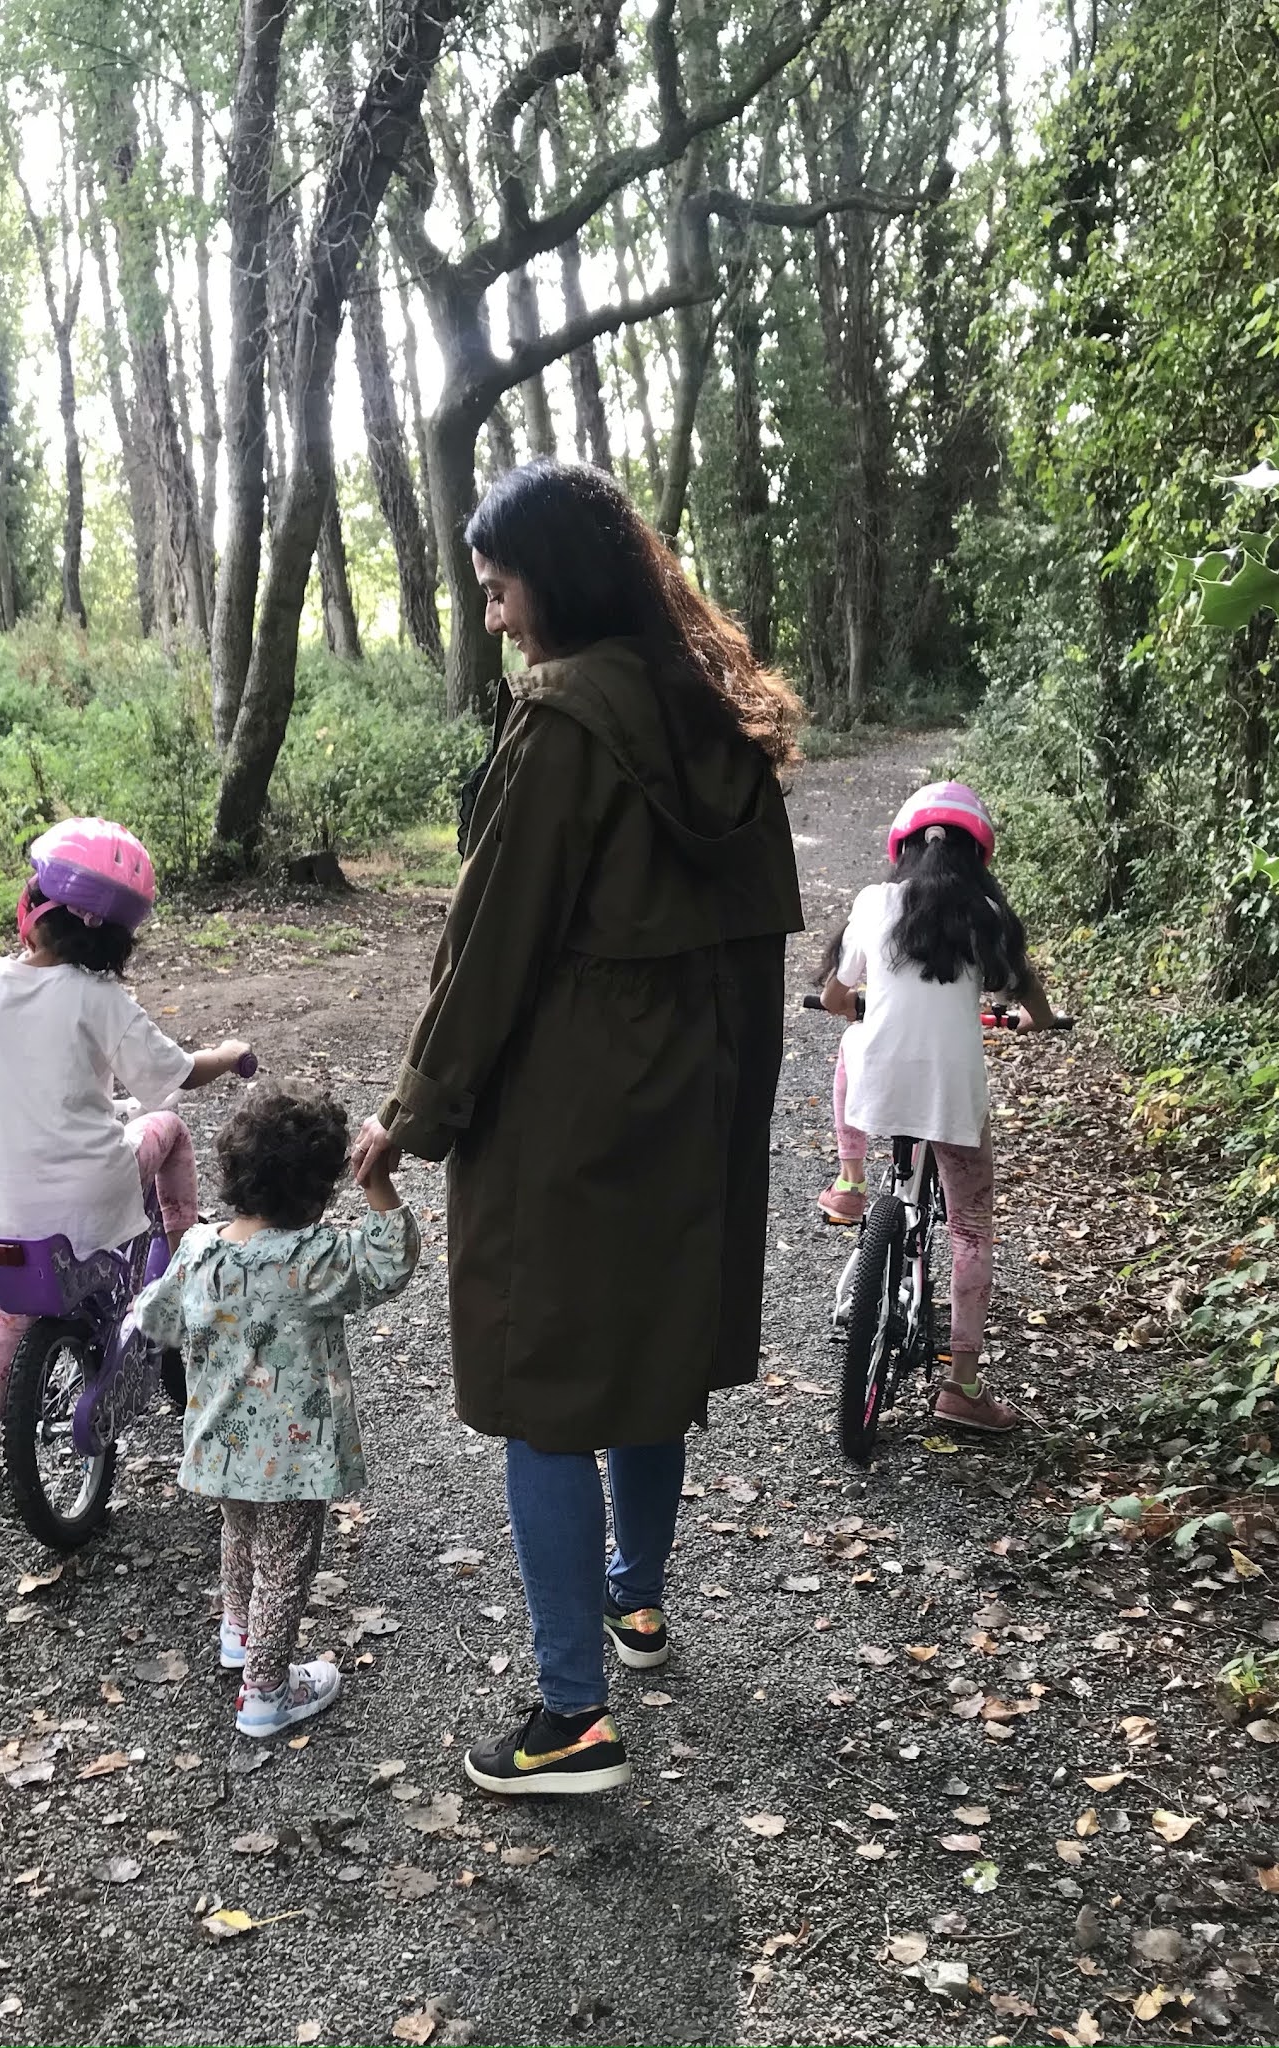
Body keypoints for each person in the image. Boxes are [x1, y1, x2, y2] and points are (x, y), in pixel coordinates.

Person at [351, 460, 804, 1796]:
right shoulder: (710, 710)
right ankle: (638, 1597)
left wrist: (411, 1117)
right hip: (696, 1098)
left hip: (570, 1106)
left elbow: (491, 948)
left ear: (555, 579)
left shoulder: (563, 721)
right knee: (648, 1354)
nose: (494, 617)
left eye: (499, 588)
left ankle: (570, 1719)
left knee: (543, 1388)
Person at [0, 818, 252, 1507]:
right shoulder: (100, 998)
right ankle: (179, 1259)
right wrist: (227, 1056)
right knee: (164, 1128)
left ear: (32, 911)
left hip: (16, 1217)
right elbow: (168, 1075)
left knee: (5, 1323)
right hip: (97, 1197)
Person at [132, 1092, 420, 1738]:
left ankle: (239, 1633)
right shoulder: (313, 1259)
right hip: (292, 1454)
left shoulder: (202, 1248)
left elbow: (157, 1320)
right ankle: (265, 1691)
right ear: (316, 1194)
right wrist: (378, 1181)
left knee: (239, 1535)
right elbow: (391, 1260)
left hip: (220, 1443)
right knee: (286, 1564)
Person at [815, 779, 1061, 1434]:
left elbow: (839, 994)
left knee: (852, 1043)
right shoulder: (985, 914)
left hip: (877, 1092)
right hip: (953, 1096)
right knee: (972, 1231)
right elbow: (1026, 989)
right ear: (978, 852)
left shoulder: (874, 902)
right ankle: (963, 1386)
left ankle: (851, 1179)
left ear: (902, 845)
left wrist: (856, 1005)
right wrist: (1043, 1020)